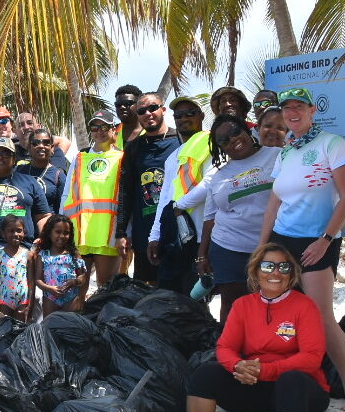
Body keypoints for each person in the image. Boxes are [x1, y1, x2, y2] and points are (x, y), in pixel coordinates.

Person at [185, 244, 331, 412]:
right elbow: (225, 348)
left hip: (299, 390)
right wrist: (237, 366)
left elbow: (312, 357)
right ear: (255, 272)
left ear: (292, 274)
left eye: (283, 267)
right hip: (254, 382)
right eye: (268, 266)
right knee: (205, 374)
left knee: (291, 380)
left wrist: (267, 370)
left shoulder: (305, 306)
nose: (275, 273)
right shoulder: (243, 305)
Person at [259, 86, 345, 412]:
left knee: (321, 317)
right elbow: (274, 203)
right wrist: (262, 247)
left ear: (311, 110)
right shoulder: (286, 151)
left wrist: (326, 240)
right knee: (279, 313)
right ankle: (289, 382)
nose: (292, 113)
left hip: (317, 240)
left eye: (299, 107)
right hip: (282, 239)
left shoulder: (331, 144)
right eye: (287, 107)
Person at [185, 116, 279, 322]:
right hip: (228, 249)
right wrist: (202, 255)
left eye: (235, 131)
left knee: (271, 304)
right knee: (232, 304)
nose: (232, 139)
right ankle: (227, 349)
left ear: (246, 130)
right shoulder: (218, 175)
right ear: (220, 148)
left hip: (274, 248)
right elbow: (209, 217)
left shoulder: (277, 156)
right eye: (224, 140)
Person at [147, 96, 212, 293]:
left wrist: (179, 205)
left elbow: (211, 184)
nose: (184, 118)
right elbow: (165, 200)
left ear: (201, 116)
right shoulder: (172, 157)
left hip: (202, 237)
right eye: (179, 115)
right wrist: (154, 236)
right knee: (172, 296)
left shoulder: (212, 142)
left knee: (197, 300)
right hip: (175, 237)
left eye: (190, 113)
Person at [117, 92, 180, 281]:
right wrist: (122, 233)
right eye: (141, 111)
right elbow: (125, 192)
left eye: (153, 108)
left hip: (177, 230)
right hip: (144, 233)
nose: (148, 113)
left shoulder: (180, 140)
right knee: (146, 291)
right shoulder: (134, 148)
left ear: (163, 109)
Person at [65, 112, 124, 290]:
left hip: (107, 235)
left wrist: (124, 232)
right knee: (75, 292)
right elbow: (66, 194)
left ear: (115, 130)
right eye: (94, 128)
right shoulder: (80, 158)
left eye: (104, 127)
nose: (99, 132)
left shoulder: (123, 157)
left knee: (105, 291)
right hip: (79, 235)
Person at [0, 138, 51, 241]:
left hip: (22, 247)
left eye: (6, 153)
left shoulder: (30, 182)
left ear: (14, 158)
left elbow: (43, 216)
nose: (0, 157)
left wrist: (43, 238)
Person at [35, 213, 87, 316]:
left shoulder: (73, 253)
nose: (62, 236)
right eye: (58, 232)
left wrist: (75, 281)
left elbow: (83, 276)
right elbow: (38, 280)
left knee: (69, 326)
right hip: (50, 298)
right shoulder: (43, 255)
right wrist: (49, 288)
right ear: (49, 233)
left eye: (66, 233)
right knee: (49, 326)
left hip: (71, 298)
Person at [0, 215, 34, 324]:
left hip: (23, 300)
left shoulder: (28, 255)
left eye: (19, 231)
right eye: (11, 231)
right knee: (5, 330)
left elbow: (31, 282)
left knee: (19, 331)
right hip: (5, 300)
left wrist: (31, 305)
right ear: (3, 233)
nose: (15, 234)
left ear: (24, 233)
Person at [17, 128, 68, 214]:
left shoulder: (59, 176)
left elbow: (63, 210)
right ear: (29, 147)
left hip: (48, 225)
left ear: (52, 148)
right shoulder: (19, 171)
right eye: (35, 143)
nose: (41, 146)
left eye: (46, 143)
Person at [112, 84, 144, 149]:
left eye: (127, 103)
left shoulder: (151, 131)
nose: (122, 107)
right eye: (118, 104)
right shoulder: (111, 132)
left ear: (139, 105)